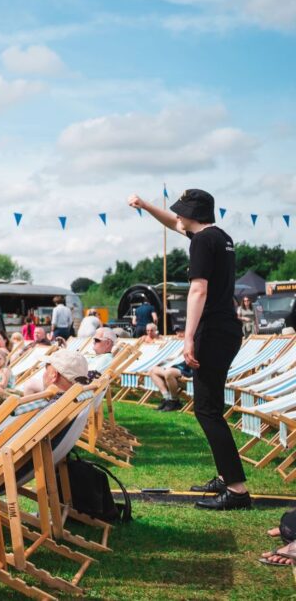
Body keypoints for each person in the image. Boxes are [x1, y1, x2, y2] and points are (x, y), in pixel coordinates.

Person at [131, 189, 249, 510]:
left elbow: (198, 289)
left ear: (194, 214)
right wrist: (145, 205)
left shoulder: (201, 242)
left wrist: (188, 338)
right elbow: (174, 224)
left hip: (212, 331)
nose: (178, 215)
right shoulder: (219, 237)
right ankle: (227, 477)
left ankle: (237, 490)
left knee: (206, 409)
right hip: (227, 329)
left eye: (182, 211)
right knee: (211, 407)